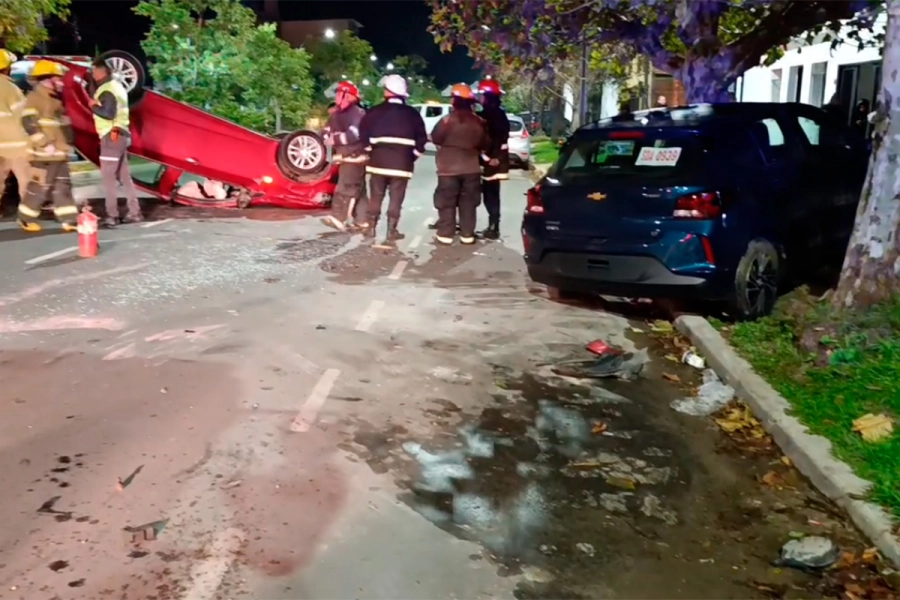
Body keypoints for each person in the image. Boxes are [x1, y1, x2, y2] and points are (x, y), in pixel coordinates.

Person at [358, 74, 427, 245]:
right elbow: (422, 140)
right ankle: (391, 231)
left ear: (387, 92)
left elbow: (363, 135)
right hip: (402, 165)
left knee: (376, 196)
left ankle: (371, 227)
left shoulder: (374, 112)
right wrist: (411, 157)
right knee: (396, 198)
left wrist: (370, 151)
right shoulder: (412, 114)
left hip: (377, 164)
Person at [17, 60, 78, 233]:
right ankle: (25, 218)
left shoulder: (55, 100)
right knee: (39, 188)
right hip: (43, 154)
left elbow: (63, 126)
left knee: (63, 187)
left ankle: (69, 220)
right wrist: (44, 143)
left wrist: (68, 141)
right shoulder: (34, 98)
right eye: (57, 79)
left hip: (59, 153)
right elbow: (28, 122)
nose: (60, 82)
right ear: (47, 79)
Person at [431, 83, 490, 245]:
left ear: (454, 102)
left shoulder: (446, 121)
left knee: (446, 201)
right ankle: (467, 234)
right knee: (469, 203)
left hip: (448, 169)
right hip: (471, 168)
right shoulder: (480, 122)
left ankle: (445, 234)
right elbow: (485, 143)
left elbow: (435, 138)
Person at [88, 56, 142, 227]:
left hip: (111, 136)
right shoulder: (118, 87)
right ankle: (135, 212)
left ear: (100, 71)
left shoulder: (107, 89)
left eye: (93, 71)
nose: (92, 74)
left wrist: (93, 106)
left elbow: (108, 113)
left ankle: (112, 215)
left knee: (108, 178)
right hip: (121, 134)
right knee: (125, 177)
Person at [321, 80, 369, 232]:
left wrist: (334, 139)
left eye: (339, 93)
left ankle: (338, 218)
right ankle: (363, 220)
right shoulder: (337, 114)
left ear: (348, 96)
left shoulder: (357, 113)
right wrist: (320, 139)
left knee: (346, 187)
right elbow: (326, 131)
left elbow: (355, 133)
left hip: (355, 157)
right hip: (346, 157)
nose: (336, 96)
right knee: (359, 190)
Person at [476, 78, 509, 241]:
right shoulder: (500, 114)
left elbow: (492, 138)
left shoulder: (487, 116)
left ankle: (492, 228)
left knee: (489, 195)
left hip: (490, 161)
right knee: (493, 195)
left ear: (487, 97)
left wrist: (489, 157)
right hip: (496, 161)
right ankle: (493, 226)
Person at [0, 49, 33, 207]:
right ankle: (27, 217)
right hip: (16, 146)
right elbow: (24, 117)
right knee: (26, 181)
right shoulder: (11, 89)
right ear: (6, 68)